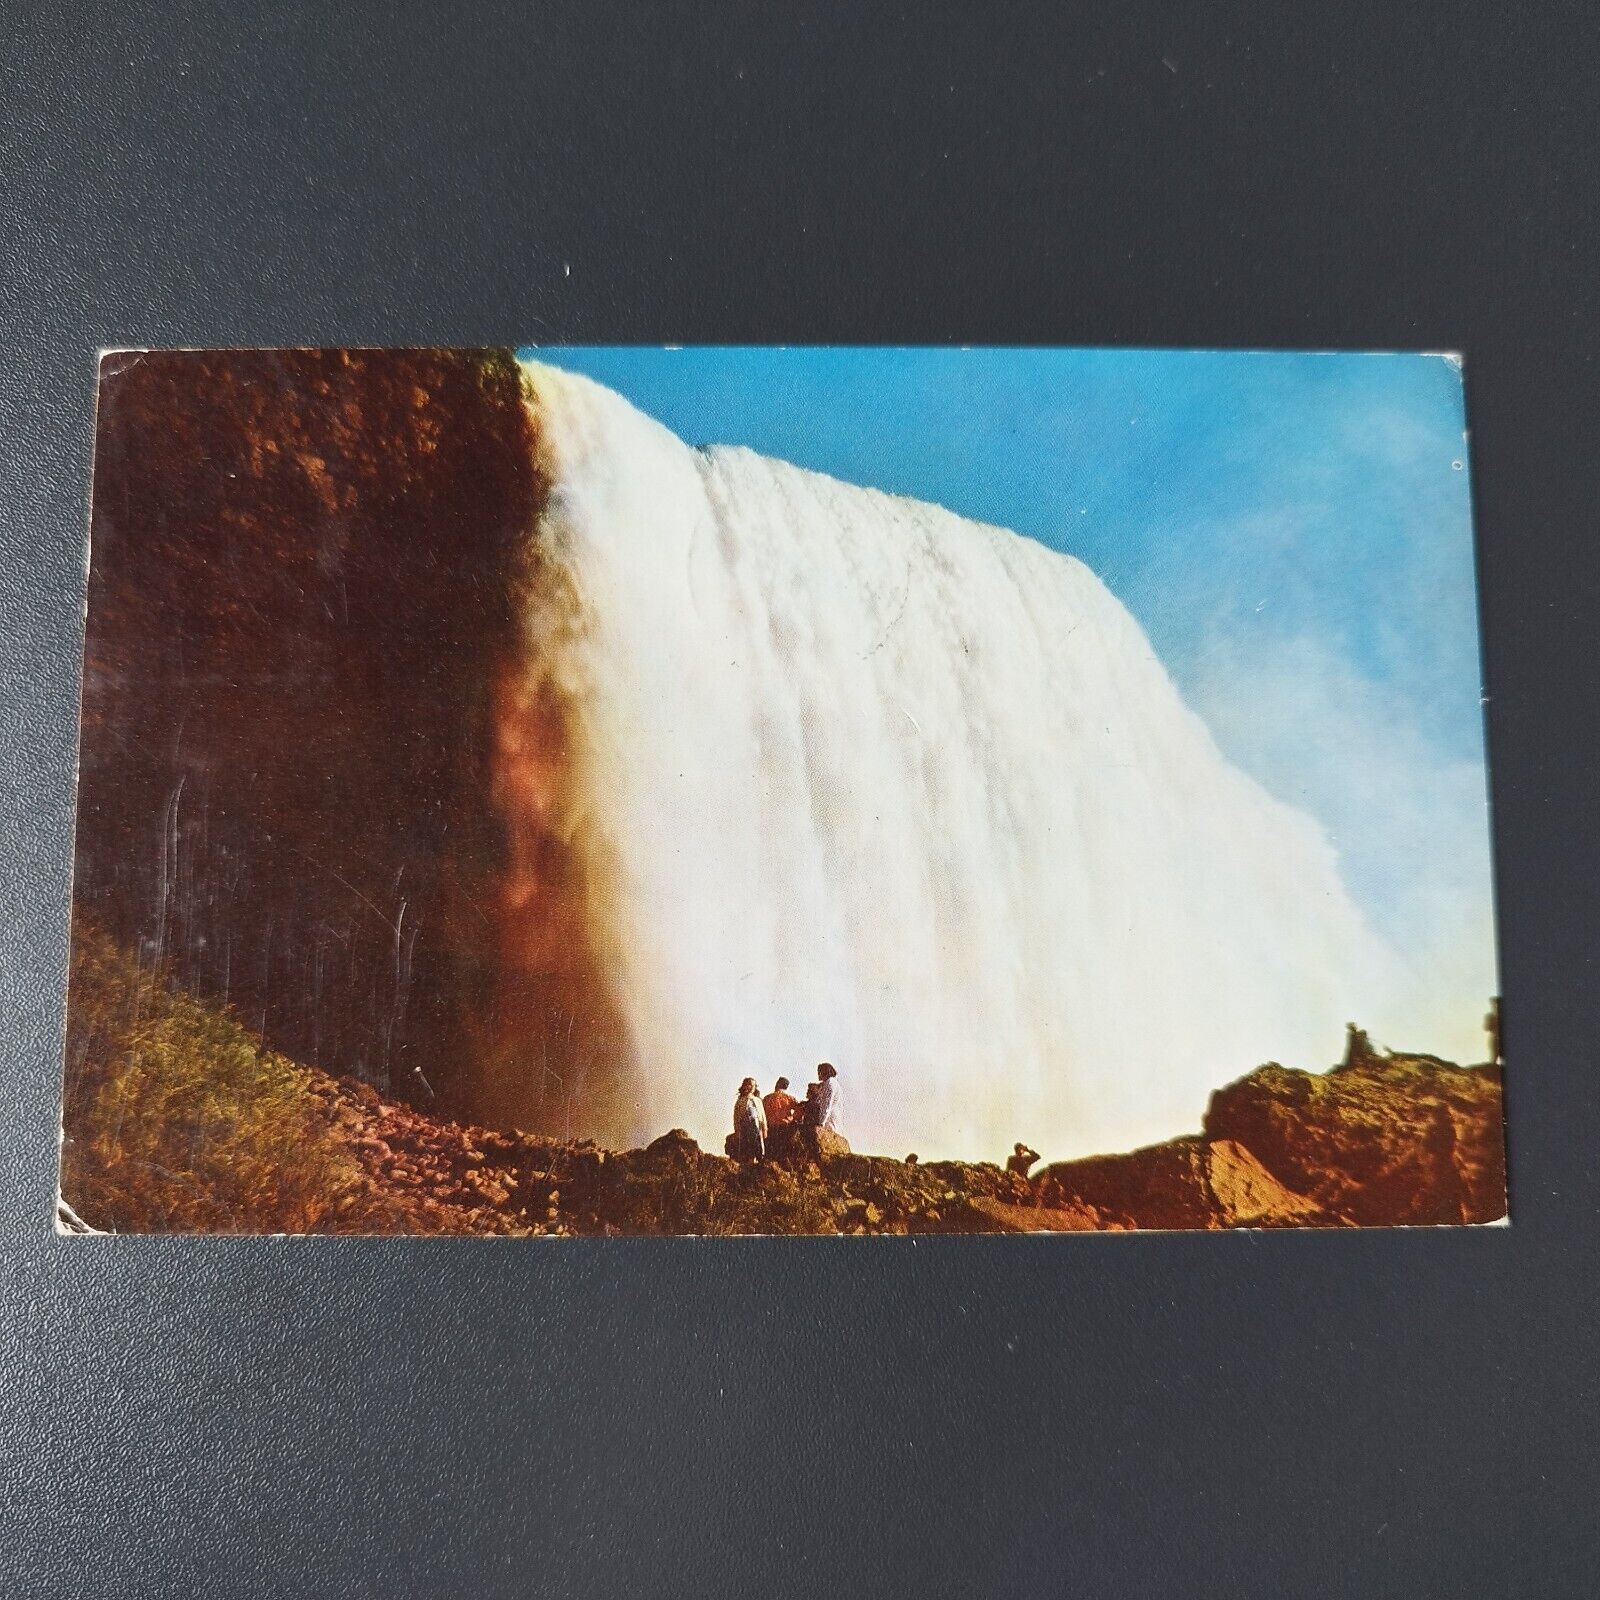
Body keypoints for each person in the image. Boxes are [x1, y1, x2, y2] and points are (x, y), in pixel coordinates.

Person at [729, 1076, 767, 1163]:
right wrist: (737, 1130)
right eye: (750, 1085)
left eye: (754, 1085)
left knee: (757, 1145)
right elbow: (736, 1117)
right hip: (745, 1126)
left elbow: (762, 1116)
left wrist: (765, 1128)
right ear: (745, 1086)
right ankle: (749, 1163)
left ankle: (756, 1160)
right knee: (746, 1146)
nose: (752, 1087)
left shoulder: (758, 1100)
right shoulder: (740, 1101)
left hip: (756, 1125)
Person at [809, 1061, 841, 1132]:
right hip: (828, 1116)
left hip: (829, 1118)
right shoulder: (830, 1083)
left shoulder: (830, 1083)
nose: (818, 1075)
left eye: (819, 1072)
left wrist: (821, 1123)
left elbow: (827, 1104)